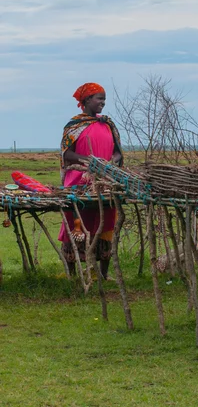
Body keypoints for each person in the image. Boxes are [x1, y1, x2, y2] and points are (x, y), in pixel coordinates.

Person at [58, 83, 123, 279]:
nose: (102, 103)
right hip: (78, 182)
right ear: (86, 101)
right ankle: (73, 275)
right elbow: (66, 154)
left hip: (105, 183)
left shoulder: (108, 125)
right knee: (76, 224)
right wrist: (89, 162)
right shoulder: (74, 126)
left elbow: (118, 153)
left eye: (104, 99)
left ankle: (103, 273)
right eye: (98, 98)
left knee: (105, 224)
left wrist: (111, 164)